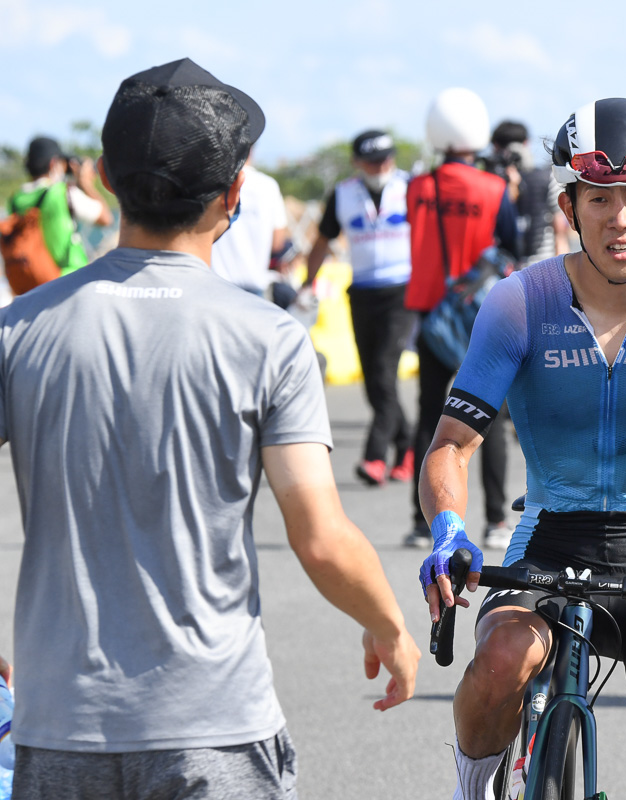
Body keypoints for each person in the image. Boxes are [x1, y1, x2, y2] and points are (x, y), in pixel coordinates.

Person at [0, 58, 420, 799]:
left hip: (57, 723)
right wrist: (387, 623)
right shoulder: (267, 339)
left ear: (100, 177)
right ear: (233, 195)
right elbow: (320, 538)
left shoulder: (22, 328)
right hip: (213, 727)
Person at [418, 98, 626, 800]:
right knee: (502, 657)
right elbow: (451, 445)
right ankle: (473, 789)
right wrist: (449, 530)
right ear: (570, 206)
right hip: (550, 539)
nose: (619, 217)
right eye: (599, 198)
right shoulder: (520, 302)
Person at [404, 88, 518, 551]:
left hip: (431, 313)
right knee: (483, 416)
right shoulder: (494, 189)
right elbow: (510, 245)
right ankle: (494, 518)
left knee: (430, 418)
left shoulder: (417, 187)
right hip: (480, 315)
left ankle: (421, 520)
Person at [306, 130, 418, 487]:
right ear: (357, 163)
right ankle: (408, 445)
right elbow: (321, 241)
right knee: (373, 381)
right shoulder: (342, 194)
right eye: (372, 161)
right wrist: (308, 282)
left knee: (385, 371)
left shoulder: (411, 188)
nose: (381, 166)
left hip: (402, 290)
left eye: (386, 158)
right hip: (362, 292)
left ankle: (373, 457)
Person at [7, 136, 113, 278]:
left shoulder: (16, 199)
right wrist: (85, 183)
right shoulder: (61, 193)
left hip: (31, 282)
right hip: (66, 280)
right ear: (53, 164)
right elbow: (105, 219)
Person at [482, 119, 566, 266]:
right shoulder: (547, 178)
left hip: (502, 273)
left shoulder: (488, 183)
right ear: (526, 143)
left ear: (495, 147)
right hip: (542, 267)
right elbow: (560, 232)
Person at [211, 153, 291, 294]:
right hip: (254, 285)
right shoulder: (268, 186)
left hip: (216, 284)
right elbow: (277, 242)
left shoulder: (214, 180)